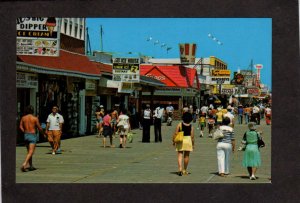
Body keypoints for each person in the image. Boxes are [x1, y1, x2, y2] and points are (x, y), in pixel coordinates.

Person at [19, 105, 46, 172]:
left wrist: (24, 131)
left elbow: (20, 126)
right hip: (32, 135)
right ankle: (24, 164)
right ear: (32, 111)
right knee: (31, 152)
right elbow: (39, 128)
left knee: (29, 152)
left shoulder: (23, 118)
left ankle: (31, 166)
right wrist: (43, 134)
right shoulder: (35, 118)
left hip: (26, 135)